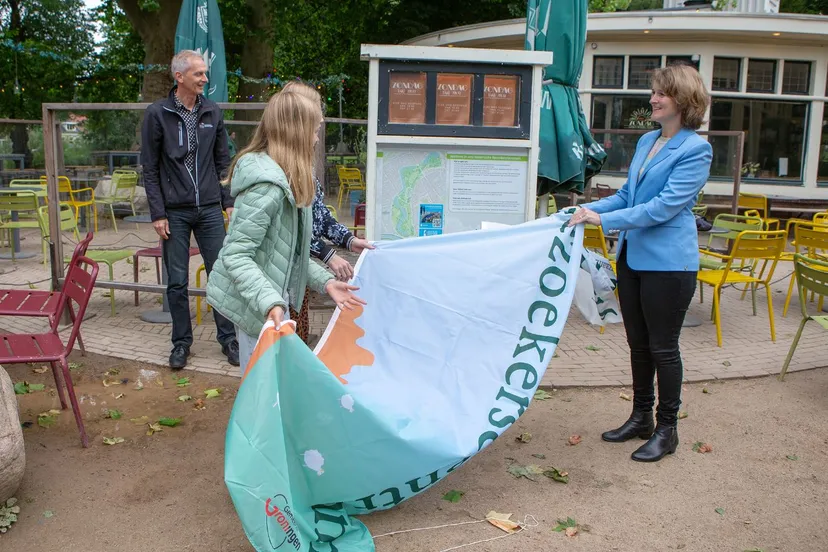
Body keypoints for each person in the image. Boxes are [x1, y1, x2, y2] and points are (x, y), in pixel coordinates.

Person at [568, 64, 712, 463]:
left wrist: (605, 221)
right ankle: (640, 418)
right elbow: (629, 195)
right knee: (638, 344)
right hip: (632, 258)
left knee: (663, 348)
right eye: (653, 92)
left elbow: (664, 207)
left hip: (670, 264)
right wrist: (583, 210)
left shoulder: (695, 149)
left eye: (660, 93)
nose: (652, 99)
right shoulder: (649, 140)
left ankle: (667, 430)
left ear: (682, 100)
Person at [206, 89, 366, 374]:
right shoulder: (266, 188)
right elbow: (236, 256)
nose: (317, 139)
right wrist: (271, 302)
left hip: (274, 304)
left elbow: (290, 253)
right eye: (315, 130)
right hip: (260, 309)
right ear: (297, 132)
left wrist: (326, 282)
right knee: (262, 394)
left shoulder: (291, 179)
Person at [141, 49, 239, 369]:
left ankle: (228, 339)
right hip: (174, 213)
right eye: (199, 74)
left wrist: (228, 203)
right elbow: (150, 168)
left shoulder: (212, 111)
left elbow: (222, 162)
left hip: (210, 208)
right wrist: (158, 213)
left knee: (221, 276)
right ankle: (181, 343)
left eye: (205, 73)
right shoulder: (157, 114)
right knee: (177, 282)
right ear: (179, 77)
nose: (205, 79)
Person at [280, 80, 374, 342]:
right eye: (316, 120)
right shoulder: (280, 171)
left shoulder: (304, 166)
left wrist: (348, 240)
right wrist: (328, 254)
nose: (319, 131)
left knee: (298, 335)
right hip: (281, 281)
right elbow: (294, 234)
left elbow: (318, 216)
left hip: (298, 278)